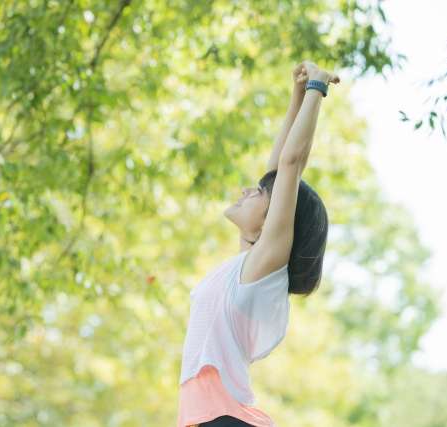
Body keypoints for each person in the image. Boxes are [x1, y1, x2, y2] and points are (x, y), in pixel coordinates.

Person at [177, 61, 339, 427]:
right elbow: (278, 170)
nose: (248, 190)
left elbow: (291, 164)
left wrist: (317, 86)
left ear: (273, 221)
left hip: (224, 419)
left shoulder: (264, 262)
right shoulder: (246, 263)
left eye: (259, 194)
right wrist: (297, 93)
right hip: (210, 419)